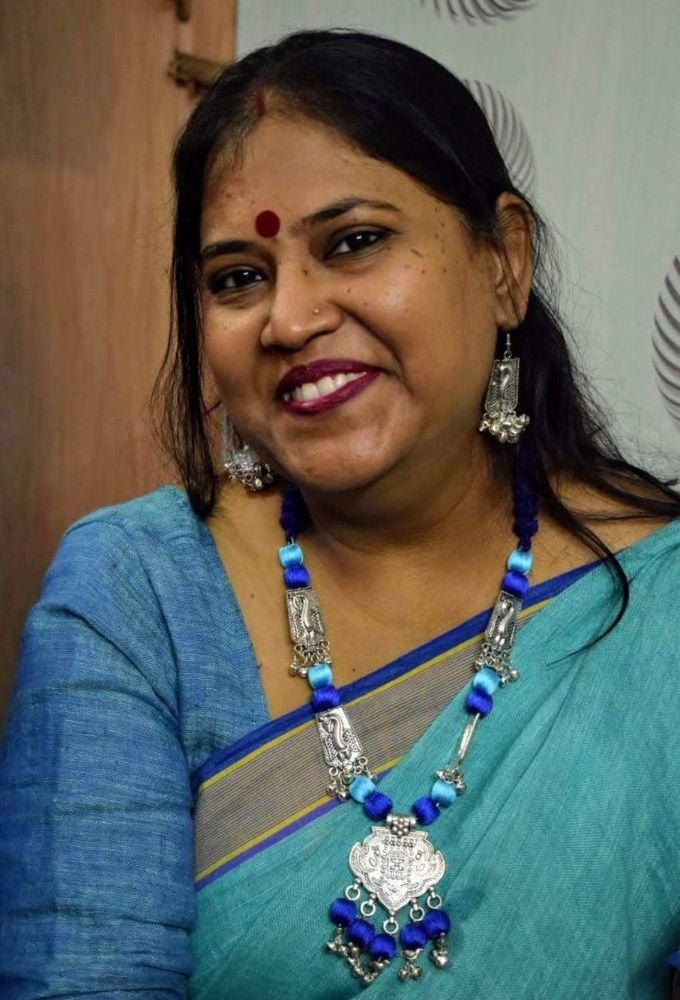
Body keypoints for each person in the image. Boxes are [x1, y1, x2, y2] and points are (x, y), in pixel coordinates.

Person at [1, 27, 679, 1000]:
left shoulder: (658, 604)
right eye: (237, 277)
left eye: (353, 242)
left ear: (503, 261)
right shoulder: (133, 591)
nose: (288, 319)